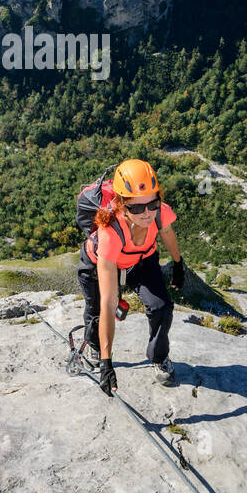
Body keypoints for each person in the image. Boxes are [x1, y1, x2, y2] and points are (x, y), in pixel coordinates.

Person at [77, 158, 184, 394]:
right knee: (96, 310)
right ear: (121, 203)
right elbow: (108, 302)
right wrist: (107, 363)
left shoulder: (159, 213)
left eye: (152, 204)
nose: (146, 213)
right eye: (136, 208)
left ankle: (159, 356)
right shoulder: (110, 232)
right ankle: (95, 347)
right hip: (98, 264)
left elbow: (167, 233)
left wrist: (178, 264)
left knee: (162, 307)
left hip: (141, 260)